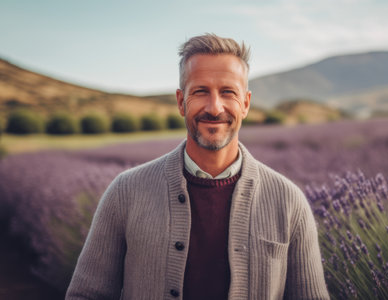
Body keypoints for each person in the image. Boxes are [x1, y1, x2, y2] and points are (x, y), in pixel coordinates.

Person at [66, 33, 329, 300]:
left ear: (246, 103)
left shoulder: (288, 201)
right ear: (181, 102)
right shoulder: (126, 192)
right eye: (201, 91)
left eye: (228, 92)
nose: (215, 108)